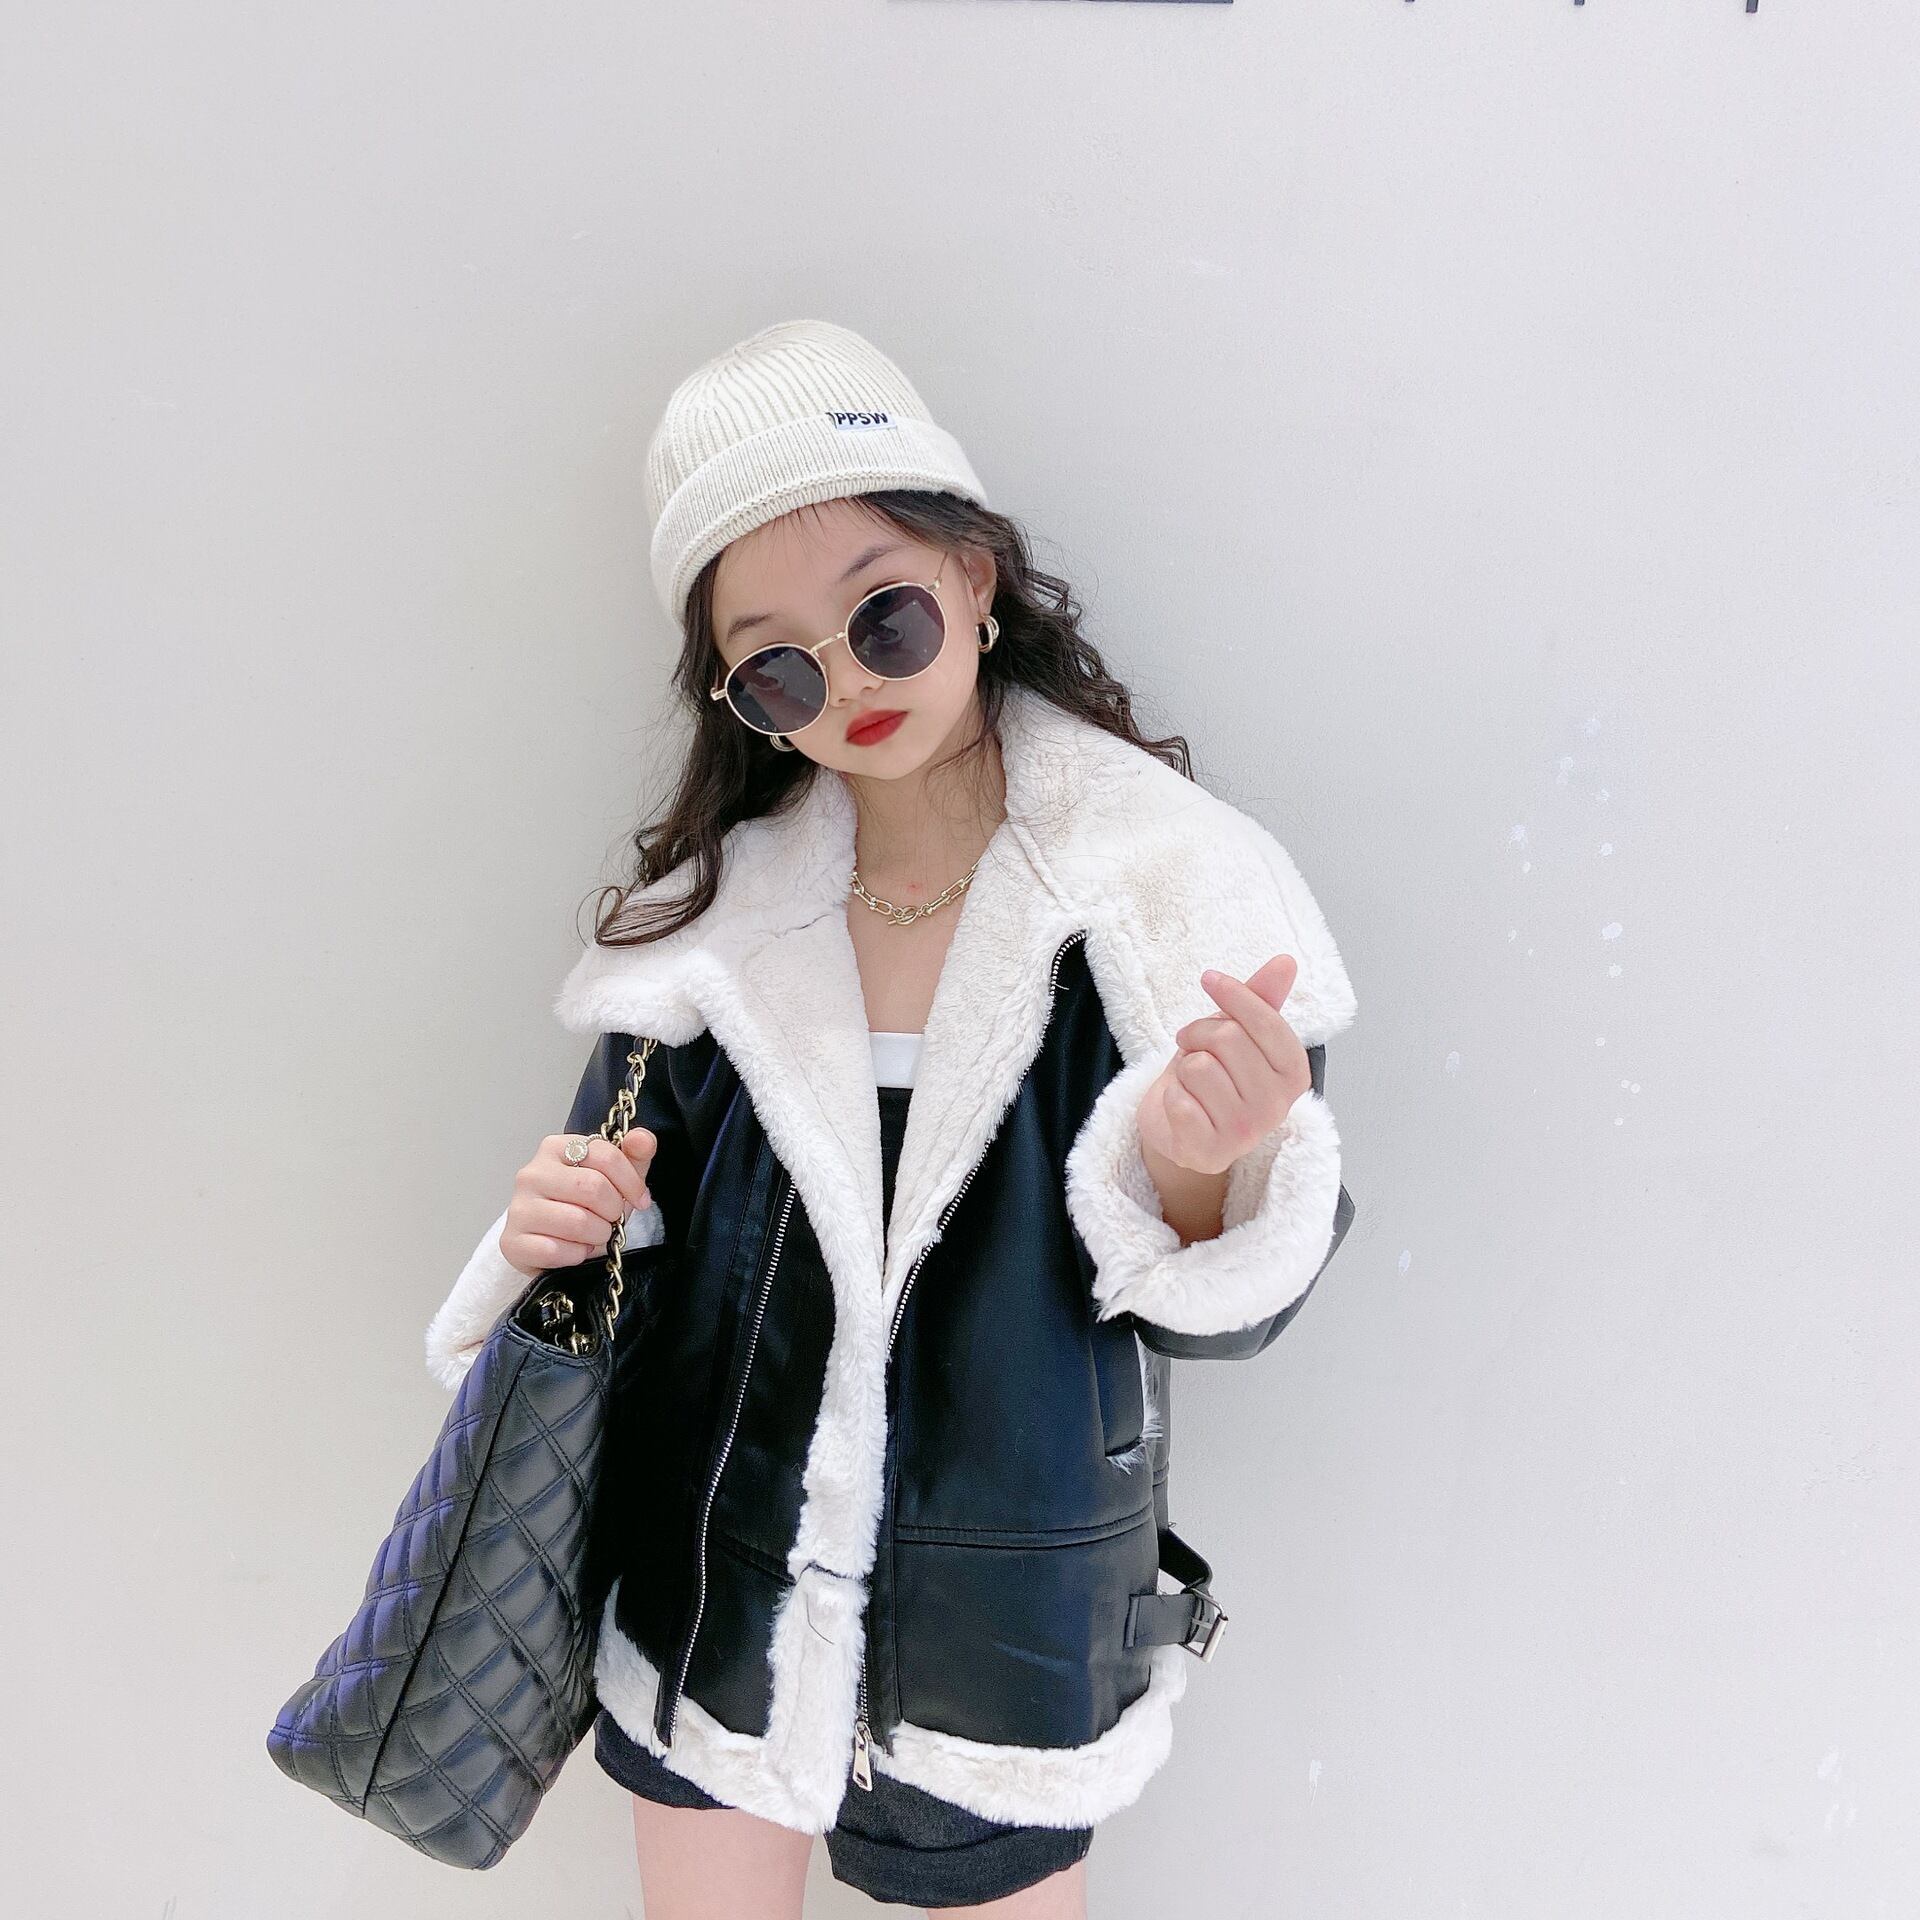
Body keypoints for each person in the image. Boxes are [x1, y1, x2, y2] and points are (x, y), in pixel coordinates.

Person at [423, 319, 1359, 1917]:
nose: (848, 678)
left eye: (887, 615)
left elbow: (1224, 1307)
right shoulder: (707, 935)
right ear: (744, 700)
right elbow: (627, 1269)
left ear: (975, 579)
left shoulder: (1169, 895)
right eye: (781, 663)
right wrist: (551, 1232)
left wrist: (1207, 1167)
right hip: (708, 1623)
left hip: (1006, 1655)